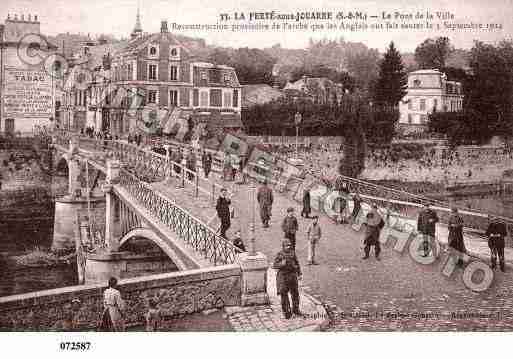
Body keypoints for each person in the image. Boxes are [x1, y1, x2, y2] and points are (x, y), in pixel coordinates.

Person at [273, 238, 302, 319]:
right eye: (287, 246)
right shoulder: (280, 254)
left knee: (295, 294)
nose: (288, 247)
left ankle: (296, 310)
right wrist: (281, 264)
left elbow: (297, 263)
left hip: (292, 276)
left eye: (289, 245)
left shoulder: (293, 253)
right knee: (284, 295)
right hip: (283, 276)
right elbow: (274, 265)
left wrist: (299, 273)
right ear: (283, 246)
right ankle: (287, 313)